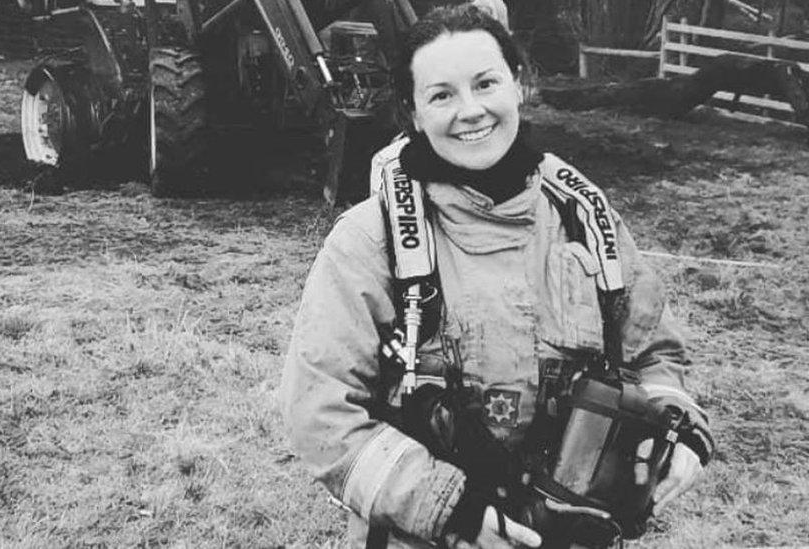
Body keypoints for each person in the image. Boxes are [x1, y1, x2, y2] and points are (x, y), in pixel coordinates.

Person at [280, 5, 714, 548]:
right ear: (413, 114)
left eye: (486, 83)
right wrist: (448, 510)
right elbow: (318, 412)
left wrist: (677, 428)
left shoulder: (587, 221)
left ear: (519, 86)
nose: (471, 111)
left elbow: (653, 354)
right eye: (441, 95)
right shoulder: (370, 240)